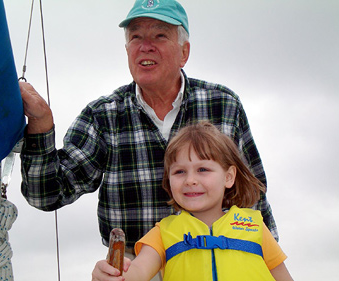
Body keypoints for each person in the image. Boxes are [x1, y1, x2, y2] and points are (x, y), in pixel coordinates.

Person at [19, 0, 278, 279]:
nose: (145, 45)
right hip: (135, 263)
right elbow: (44, 194)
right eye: (136, 37)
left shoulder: (224, 104)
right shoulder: (102, 114)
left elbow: (253, 195)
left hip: (220, 254)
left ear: (184, 52)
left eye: (159, 35)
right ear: (127, 50)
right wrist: (40, 123)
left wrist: (267, 258)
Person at [92, 121, 293, 281]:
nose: (190, 180)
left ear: (229, 177)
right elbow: (138, 271)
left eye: (202, 169)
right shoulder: (162, 233)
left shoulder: (256, 225)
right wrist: (113, 274)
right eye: (179, 172)